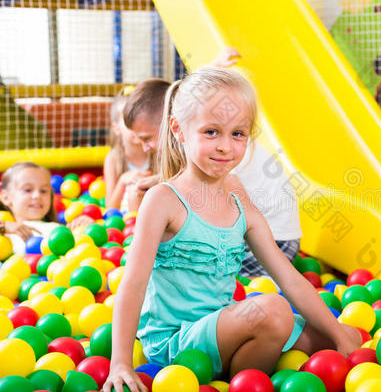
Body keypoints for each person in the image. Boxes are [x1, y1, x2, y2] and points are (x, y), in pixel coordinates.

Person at [103, 67, 360, 392]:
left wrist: (339, 335)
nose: (226, 146)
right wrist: (121, 362)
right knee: (273, 310)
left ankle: (238, 376)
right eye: (211, 132)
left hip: (222, 325)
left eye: (237, 134)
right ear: (179, 130)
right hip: (176, 344)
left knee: (335, 338)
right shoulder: (163, 199)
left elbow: (288, 276)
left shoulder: (236, 194)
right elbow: (133, 283)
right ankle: (243, 382)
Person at [122, 47, 242, 212]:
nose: (145, 148)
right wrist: (157, 180)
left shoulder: (195, 141)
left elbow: (194, 92)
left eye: (147, 138)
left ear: (169, 121)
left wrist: (216, 66)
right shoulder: (173, 151)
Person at [231, 142, 302, 278]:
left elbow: (240, 207)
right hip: (284, 243)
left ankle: (261, 281)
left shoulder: (221, 152)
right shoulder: (236, 140)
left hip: (273, 246)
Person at [103, 85, 153, 211]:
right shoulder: (113, 159)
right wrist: (122, 181)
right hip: (125, 220)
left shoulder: (156, 152)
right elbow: (110, 208)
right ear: (116, 128)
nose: (136, 127)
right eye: (129, 121)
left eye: (141, 119)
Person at [0, 162, 59, 254]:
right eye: (28, 190)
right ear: (6, 198)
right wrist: (3, 226)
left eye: (43, 191)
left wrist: (84, 222)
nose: (37, 195)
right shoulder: (5, 233)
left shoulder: (58, 229)